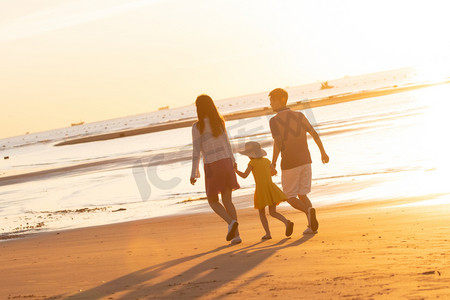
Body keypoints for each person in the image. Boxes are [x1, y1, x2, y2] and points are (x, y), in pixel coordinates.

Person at [268, 88, 329, 235]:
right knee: (303, 194)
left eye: (272, 101)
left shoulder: (274, 121)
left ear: (281, 100)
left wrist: (273, 163)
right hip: (306, 160)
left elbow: (278, 142)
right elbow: (314, 133)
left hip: (290, 163)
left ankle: (309, 211)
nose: (270, 104)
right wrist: (323, 152)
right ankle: (311, 226)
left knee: (289, 196)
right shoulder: (299, 116)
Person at [190, 94, 242, 244]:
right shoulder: (219, 122)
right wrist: (233, 161)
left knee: (212, 201)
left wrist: (194, 173)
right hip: (226, 162)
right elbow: (227, 143)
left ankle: (230, 223)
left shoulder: (197, 127)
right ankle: (237, 236)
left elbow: (196, 150)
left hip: (212, 165)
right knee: (228, 200)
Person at [235, 141, 294, 240]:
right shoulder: (266, 161)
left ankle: (268, 234)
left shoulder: (252, 163)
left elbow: (245, 176)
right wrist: (268, 172)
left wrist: (235, 170)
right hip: (271, 188)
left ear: (249, 155)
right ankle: (286, 222)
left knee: (262, 213)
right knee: (273, 212)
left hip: (261, 190)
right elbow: (274, 172)